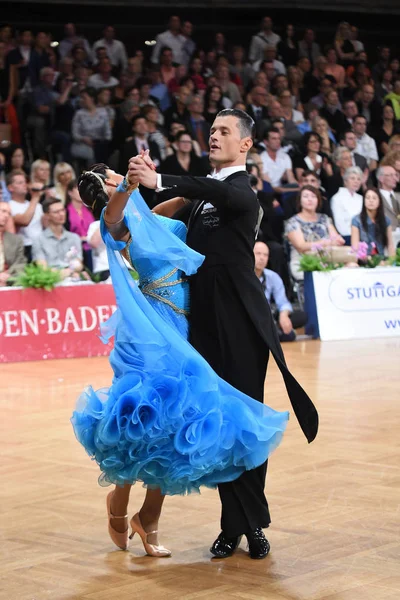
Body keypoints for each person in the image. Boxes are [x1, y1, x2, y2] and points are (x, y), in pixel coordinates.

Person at [71, 160, 290, 559]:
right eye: (114, 180)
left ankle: (148, 516)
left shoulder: (151, 214)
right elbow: (119, 215)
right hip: (152, 331)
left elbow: (179, 200)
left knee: (175, 421)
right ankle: (119, 502)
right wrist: (123, 188)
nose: (123, 180)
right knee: (142, 417)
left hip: (186, 327)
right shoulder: (114, 222)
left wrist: (176, 189)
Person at [129, 109, 318, 559]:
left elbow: (209, 186)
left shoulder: (242, 193)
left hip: (241, 323)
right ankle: (232, 525)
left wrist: (161, 179)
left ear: (246, 144)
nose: (214, 136)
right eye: (211, 130)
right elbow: (162, 216)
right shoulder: (200, 200)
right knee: (216, 424)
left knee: (246, 422)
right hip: (203, 324)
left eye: (224, 131)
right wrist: (129, 189)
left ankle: (248, 526)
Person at [285, 185, 345, 280]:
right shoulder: (293, 222)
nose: (310, 199)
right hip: (304, 262)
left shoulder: (325, 218)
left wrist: (329, 242)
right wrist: (325, 242)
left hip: (328, 259)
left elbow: (338, 241)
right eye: (306, 196)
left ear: (318, 200)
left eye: (313, 196)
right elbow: (301, 247)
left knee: (351, 266)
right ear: (300, 201)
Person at [254, 241, 307, 342]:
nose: (262, 258)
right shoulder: (243, 277)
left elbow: (282, 302)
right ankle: (272, 335)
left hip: (269, 316)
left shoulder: (273, 277)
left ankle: (269, 334)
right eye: (258, 254)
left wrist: (283, 316)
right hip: (251, 316)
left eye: (265, 255)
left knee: (301, 316)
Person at [31, 197, 84, 279]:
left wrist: (68, 271)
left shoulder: (74, 237)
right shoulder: (38, 239)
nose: (61, 214)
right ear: (47, 215)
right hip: (51, 280)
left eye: (63, 210)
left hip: (73, 277)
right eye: (56, 212)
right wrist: (67, 272)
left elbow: (79, 264)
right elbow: (42, 268)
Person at [351, 188, 395, 256]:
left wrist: (392, 262)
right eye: (368, 198)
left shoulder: (386, 221)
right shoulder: (356, 220)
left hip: (381, 259)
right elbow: (355, 247)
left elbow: (390, 246)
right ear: (364, 201)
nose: (371, 200)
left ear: (379, 201)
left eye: (374, 198)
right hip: (363, 259)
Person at [330, 166, 364, 243]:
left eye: (358, 179)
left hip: (363, 235)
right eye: (352, 178)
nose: (356, 181)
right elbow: (340, 224)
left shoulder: (361, 198)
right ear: (345, 181)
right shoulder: (337, 198)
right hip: (347, 237)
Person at [0, 201, 26, 285]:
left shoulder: (16, 240)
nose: (6, 215)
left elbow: (21, 263)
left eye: (9, 213)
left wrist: (6, 275)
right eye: (3, 211)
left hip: (9, 281)